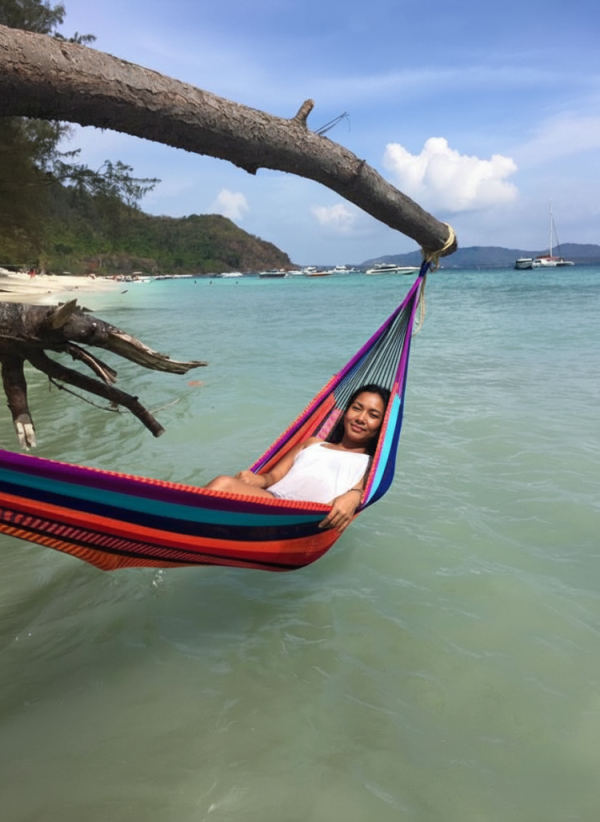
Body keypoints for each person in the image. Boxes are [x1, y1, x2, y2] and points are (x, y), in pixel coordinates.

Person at [204, 384, 390, 533]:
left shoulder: (371, 464)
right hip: (271, 501)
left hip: (304, 523)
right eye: (356, 408)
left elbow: (362, 490)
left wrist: (354, 496)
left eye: (373, 415)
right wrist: (256, 479)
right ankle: (180, 532)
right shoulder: (312, 443)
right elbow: (273, 477)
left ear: (381, 425)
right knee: (223, 484)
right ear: (345, 413)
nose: (361, 418)